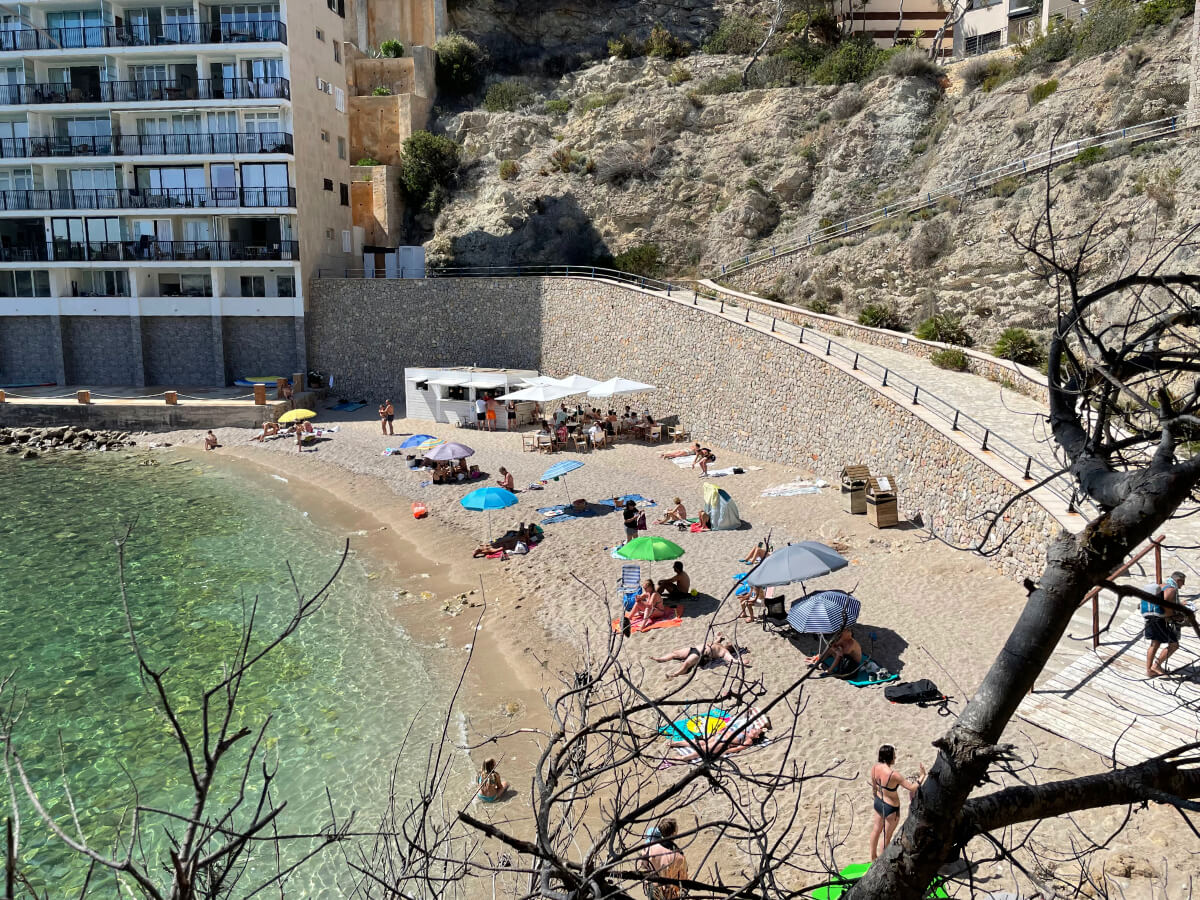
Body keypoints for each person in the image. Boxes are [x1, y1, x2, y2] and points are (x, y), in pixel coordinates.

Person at [869, 745, 925, 860]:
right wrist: (922, 776)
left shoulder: (875, 768)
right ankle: (881, 861)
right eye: (894, 755)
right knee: (886, 837)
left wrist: (876, 797)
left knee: (876, 830)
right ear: (890, 757)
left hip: (879, 802)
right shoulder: (894, 775)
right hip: (891, 808)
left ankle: (873, 856)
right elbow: (911, 787)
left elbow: (874, 787)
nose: (895, 757)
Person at [668, 715, 770, 762]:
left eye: (755, 731)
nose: (753, 730)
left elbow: (737, 749)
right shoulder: (745, 731)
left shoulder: (748, 741)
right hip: (719, 736)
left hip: (724, 744)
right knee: (700, 741)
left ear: (756, 736)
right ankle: (680, 743)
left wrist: (725, 752)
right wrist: (718, 732)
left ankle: (684, 758)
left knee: (704, 749)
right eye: (753, 729)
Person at [1144, 571, 1188, 677]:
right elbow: (1167, 611)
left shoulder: (1161, 586)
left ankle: (1149, 671)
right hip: (1159, 621)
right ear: (1178, 580)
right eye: (1183, 582)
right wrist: (1177, 617)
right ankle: (1156, 666)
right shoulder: (1171, 590)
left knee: (1155, 644)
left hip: (1150, 618)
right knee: (1174, 645)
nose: (1183, 585)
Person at [653, 634, 746, 678]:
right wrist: (718, 638)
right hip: (694, 649)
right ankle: (661, 659)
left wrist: (740, 662)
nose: (729, 643)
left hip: (701, 655)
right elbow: (715, 641)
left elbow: (731, 659)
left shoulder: (724, 652)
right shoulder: (719, 644)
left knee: (686, 664)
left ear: (731, 649)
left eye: (731, 644)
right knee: (675, 653)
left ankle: (675, 674)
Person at [639, 818, 687, 900]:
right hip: (670, 894)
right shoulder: (678, 856)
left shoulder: (649, 849)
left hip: (653, 890)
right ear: (673, 833)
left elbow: (642, 867)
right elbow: (683, 879)